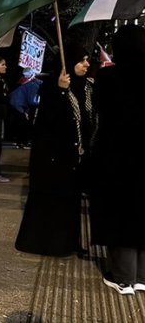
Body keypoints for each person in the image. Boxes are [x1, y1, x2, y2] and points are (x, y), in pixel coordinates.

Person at [14, 43, 95, 257]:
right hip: (55, 157)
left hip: (78, 157)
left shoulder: (86, 87)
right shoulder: (51, 86)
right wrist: (60, 91)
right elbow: (47, 122)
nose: (86, 64)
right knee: (54, 202)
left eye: (87, 59)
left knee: (72, 203)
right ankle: (52, 244)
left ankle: (71, 242)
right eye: (81, 60)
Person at [89, 24, 145, 295]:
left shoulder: (109, 77)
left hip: (117, 153)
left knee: (120, 211)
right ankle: (142, 274)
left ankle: (123, 276)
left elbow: (99, 108)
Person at [8, 68, 42, 149]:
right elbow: (32, 101)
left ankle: (20, 142)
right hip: (20, 106)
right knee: (25, 124)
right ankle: (24, 142)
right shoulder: (33, 85)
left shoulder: (22, 82)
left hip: (14, 105)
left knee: (20, 124)